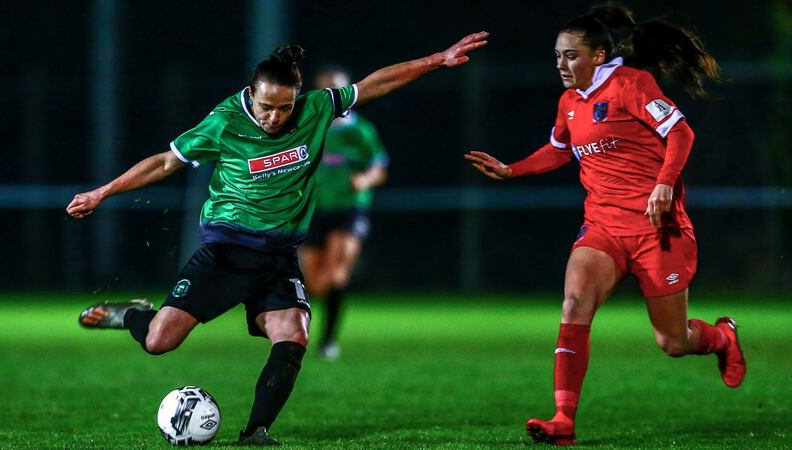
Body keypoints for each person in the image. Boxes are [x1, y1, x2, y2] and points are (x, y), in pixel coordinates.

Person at [67, 31, 487, 446]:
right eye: (266, 107)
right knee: (159, 342)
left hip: (279, 256)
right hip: (227, 251)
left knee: (295, 334)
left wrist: (436, 60)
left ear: (298, 97)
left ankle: (256, 433)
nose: (274, 117)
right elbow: (163, 162)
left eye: (284, 108)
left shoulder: (317, 108)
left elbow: (374, 84)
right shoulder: (225, 121)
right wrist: (101, 192)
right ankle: (132, 315)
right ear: (251, 94)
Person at [465, 6, 744, 446]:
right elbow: (559, 150)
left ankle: (722, 337)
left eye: (571, 55)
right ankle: (563, 419)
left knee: (672, 341)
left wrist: (664, 186)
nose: (561, 64)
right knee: (574, 304)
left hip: (658, 229)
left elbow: (681, 133)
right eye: (557, 56)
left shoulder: (631, 85)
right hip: (603, 228)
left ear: (598, 55)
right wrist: (511, 169)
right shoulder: (569, 101)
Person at [299, 66, 389, 360]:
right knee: (313, 283)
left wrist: (364, 180)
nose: (334, 97)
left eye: (338, 90)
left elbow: (379, 168)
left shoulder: (361, 131)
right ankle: (299, 333)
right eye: (327, 91)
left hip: (350, 210)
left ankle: (327, 341)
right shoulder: (309, 129)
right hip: (314, 210)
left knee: (337, 276)